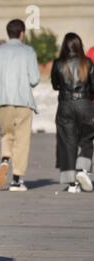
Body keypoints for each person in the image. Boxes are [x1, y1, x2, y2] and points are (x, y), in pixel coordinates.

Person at [0, 19, 40, 192]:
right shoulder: (28, 51)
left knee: (7, 135)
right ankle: (17, 179)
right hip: (23, 100)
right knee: (22, 139)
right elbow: (34, 79)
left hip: (4, 101)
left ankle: (5, 160)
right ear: (22, 33)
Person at [51, 33, 94, 193]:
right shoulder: (87, 63)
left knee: (67, 143)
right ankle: (82, 170)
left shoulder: (58, 64)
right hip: (85, 104)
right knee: (87, 139)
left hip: (65, 106)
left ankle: (71, 184)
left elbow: (55, 85)